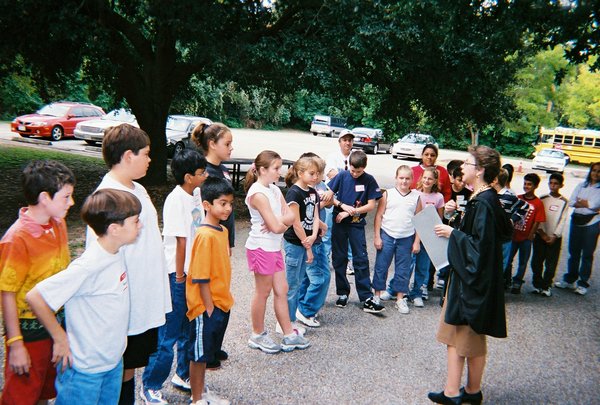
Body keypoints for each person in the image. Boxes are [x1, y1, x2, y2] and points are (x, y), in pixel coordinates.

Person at [26, 189, 142, 404]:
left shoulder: (117, 254)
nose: (140, 225)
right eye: (135, 221)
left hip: (112, 364)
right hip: (83, 372)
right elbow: (36, 297)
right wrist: (60, 338)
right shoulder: (89, 266)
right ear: (115, 229)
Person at [86, 124, 171, 404]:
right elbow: (100, 255)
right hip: (124, 301)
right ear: (127, 155)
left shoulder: (138, 189)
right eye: (146, 154)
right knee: (118, 365)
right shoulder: (108, 197)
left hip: (141, 297)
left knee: (131, 362)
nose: (150, 159)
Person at [429, 145, 512, 405]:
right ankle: (473, 391)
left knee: (459, 336)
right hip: (477, 281)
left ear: (480, 171)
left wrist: (452, 233)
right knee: (472, 339)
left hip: (471, 283)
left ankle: (453, 393)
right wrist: (455, 220)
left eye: (467, 163)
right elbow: (490, 236)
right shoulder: (486, 199)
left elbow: (480, 249)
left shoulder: (483, 203)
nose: (462, 167)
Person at [0, 160, 75, 405]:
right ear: (45, 198)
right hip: (30, 332)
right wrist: (16, 344)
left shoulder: (58, 224)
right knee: (22, 395)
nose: (71, 203)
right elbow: (7, 293)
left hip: (55, 323)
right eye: (66, 197)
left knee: (44, 390)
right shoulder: (17, 239)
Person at [141, 149, 209, 403]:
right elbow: (180, 242)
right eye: (201, 173)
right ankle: (150, 384)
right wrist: (180, 276)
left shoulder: (196, 194)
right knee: (168, 334)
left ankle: (182, 374)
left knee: (189, 330)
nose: (205, 176)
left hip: (194, 272)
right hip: (177, 273)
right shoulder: (175, 199)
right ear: (189, 176)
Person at [245, 150, 310, 354]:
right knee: (263, 292)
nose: (280, 173)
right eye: (275, 168)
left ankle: (289, 334)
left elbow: (289, 215)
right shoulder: (257, 193)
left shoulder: (273, 189)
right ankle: (257, 334)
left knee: (281, 290)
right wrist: (281, 223)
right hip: (261, 247)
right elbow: (279, 224)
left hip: (273, 247)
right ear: (262, 170)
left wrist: (279, 222)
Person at [186, 177, 235, 405]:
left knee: (207, 355)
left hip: (220, 303)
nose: (227, 208)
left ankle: (203, 393)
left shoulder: (222, 230)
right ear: (207, 205)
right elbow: (200, 276)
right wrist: (208, 307)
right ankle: (197, 399)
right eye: (222, 203)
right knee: (199, 356)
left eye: (230, 204)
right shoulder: (205, 235)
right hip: (206, 307)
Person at [328, 150, 384, 313]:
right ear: (348, 166)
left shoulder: (369, 180)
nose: (354, 174)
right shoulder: (342, 175)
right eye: (352, 170)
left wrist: (352, 211)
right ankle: (343, 293)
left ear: (364, 168)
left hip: (356, 223)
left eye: (358, 171)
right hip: (339, 222)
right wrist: (342, 206)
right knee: (339, 257)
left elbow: (371, 205)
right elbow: (330, 197)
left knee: (361, 258)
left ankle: (366, 297)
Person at [283, 155, 326, 329]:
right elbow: (296, 222)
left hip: (308, 240)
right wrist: (307, 243)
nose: (316, 177)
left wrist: (314, 235)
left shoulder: (313, 191)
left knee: (300, 282)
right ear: (300, 173)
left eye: (317, 173)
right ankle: (286, 322)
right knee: (292, 285)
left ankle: (291, 320)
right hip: (295, 243)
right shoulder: (294, 192)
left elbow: (316, 216)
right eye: (312, 173)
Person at [372, 165, 421, 314]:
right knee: (381, 266)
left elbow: (419, 220)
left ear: (412, 180)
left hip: (406, 237)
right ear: (396, 178)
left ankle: (400, 298)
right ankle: (377, 295)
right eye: (401, 178)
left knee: (403, 269)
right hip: (387, 234)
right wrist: (377, 236)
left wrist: (417, 241)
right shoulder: (388, 194)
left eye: (407, 178)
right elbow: (379, 215)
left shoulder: (416, 197)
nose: (404, 181)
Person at [555, 162, 600, 296]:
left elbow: (595, 204)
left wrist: (587, 204)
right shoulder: (581, 185)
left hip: (592, 222)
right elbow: (573, 201)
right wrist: (588, 204)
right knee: (573, 252)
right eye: (594, 170)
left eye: (599, 171)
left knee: (587, 254)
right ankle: (570, 279)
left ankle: (582, 283)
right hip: (576, 220)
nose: (596, 174)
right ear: (590, 171)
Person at [191, 122, 235, 248]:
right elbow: (196, 209)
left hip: (224, 235)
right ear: (212, 144)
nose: (231, 148)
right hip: (210, 239)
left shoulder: (224, 170)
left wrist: (228, 242)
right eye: (227, 144)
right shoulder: (202, 173)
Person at [410, 166, 444, 307]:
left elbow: (439, 219)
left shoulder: (438, 197)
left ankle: (417, 291)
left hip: (428, 237)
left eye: (430, 178)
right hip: (412, 234)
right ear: (421, 178)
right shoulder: (414, 193)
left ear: (435, 180)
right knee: (407, 264)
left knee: (423, 266)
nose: (427, 180)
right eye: (424, 177)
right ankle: (397, 289)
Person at [506, 173, 546, 294]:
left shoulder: (538, 203)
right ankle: (506, 279)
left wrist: (531, 235)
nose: (526, 186)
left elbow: (537, 221)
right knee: (508, 259)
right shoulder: (518, 198)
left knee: (523, 261)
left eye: (529, 184)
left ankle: (517, 282)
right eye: (525, 183)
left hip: (526, 238)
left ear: (535, 186)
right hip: (513, 236)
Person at [530, 173, 568, 297]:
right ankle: (537, 285)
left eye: (556, 183)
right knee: (536, 262)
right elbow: (538, 218)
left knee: (551, 264)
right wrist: (542, 233)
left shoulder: (564, 201)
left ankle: (546, 286)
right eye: (551, 183)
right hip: (541, 235)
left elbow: (563, 220)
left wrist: (555, 235)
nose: (553, 186)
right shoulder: (542, 198)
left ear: (561, 185)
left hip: (554, 238)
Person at [323, 129, 355, 274]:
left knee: (349, 231)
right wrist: (349, 176)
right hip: (333, 198)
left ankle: (349, 262)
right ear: (339, 141)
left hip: (350, 199)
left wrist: (343, 176)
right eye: (344, 140)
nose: (347, 142)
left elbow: (359, 175)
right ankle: (324, 261)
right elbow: (331, 173)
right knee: (328, 230)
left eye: (350, 140)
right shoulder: (332, 156)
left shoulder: (356, 157)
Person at [493, 168, 529, 288]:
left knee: (502, 263)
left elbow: (524, 206)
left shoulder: (509, 196)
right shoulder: (490, 194)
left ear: (495, 180)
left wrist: (512, 219)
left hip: (505, 236)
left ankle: (497, 287)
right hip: (492, 234)